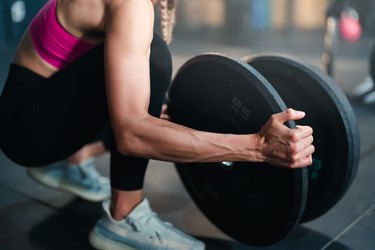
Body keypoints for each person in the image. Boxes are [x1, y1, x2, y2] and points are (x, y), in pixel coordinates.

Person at [0, 0, 315, 249]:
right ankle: (124, 216)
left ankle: (73, 160)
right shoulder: (131, 4)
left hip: (40, 113)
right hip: (24, 131)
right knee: (154, 62)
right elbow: (132, 135)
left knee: (150, 91)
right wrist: (258, 147)